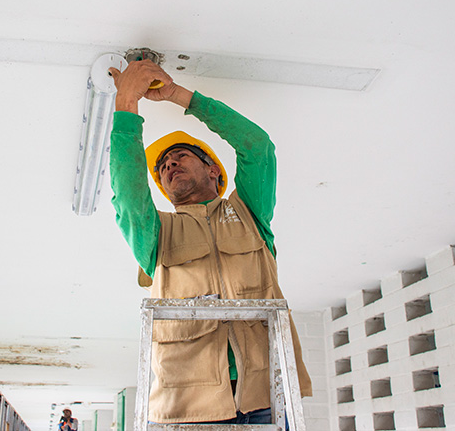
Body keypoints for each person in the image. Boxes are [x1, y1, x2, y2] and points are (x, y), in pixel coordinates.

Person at [108, 59, 312, 425]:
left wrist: (179, 96)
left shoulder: (249, 214)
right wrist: (126, 106)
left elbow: (257, 146)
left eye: (180, 156)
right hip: (188, 408)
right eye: (163, 167)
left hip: (267, 396)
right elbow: (128, 196)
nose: (169, 165)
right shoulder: (157, 234)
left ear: (214, 170)